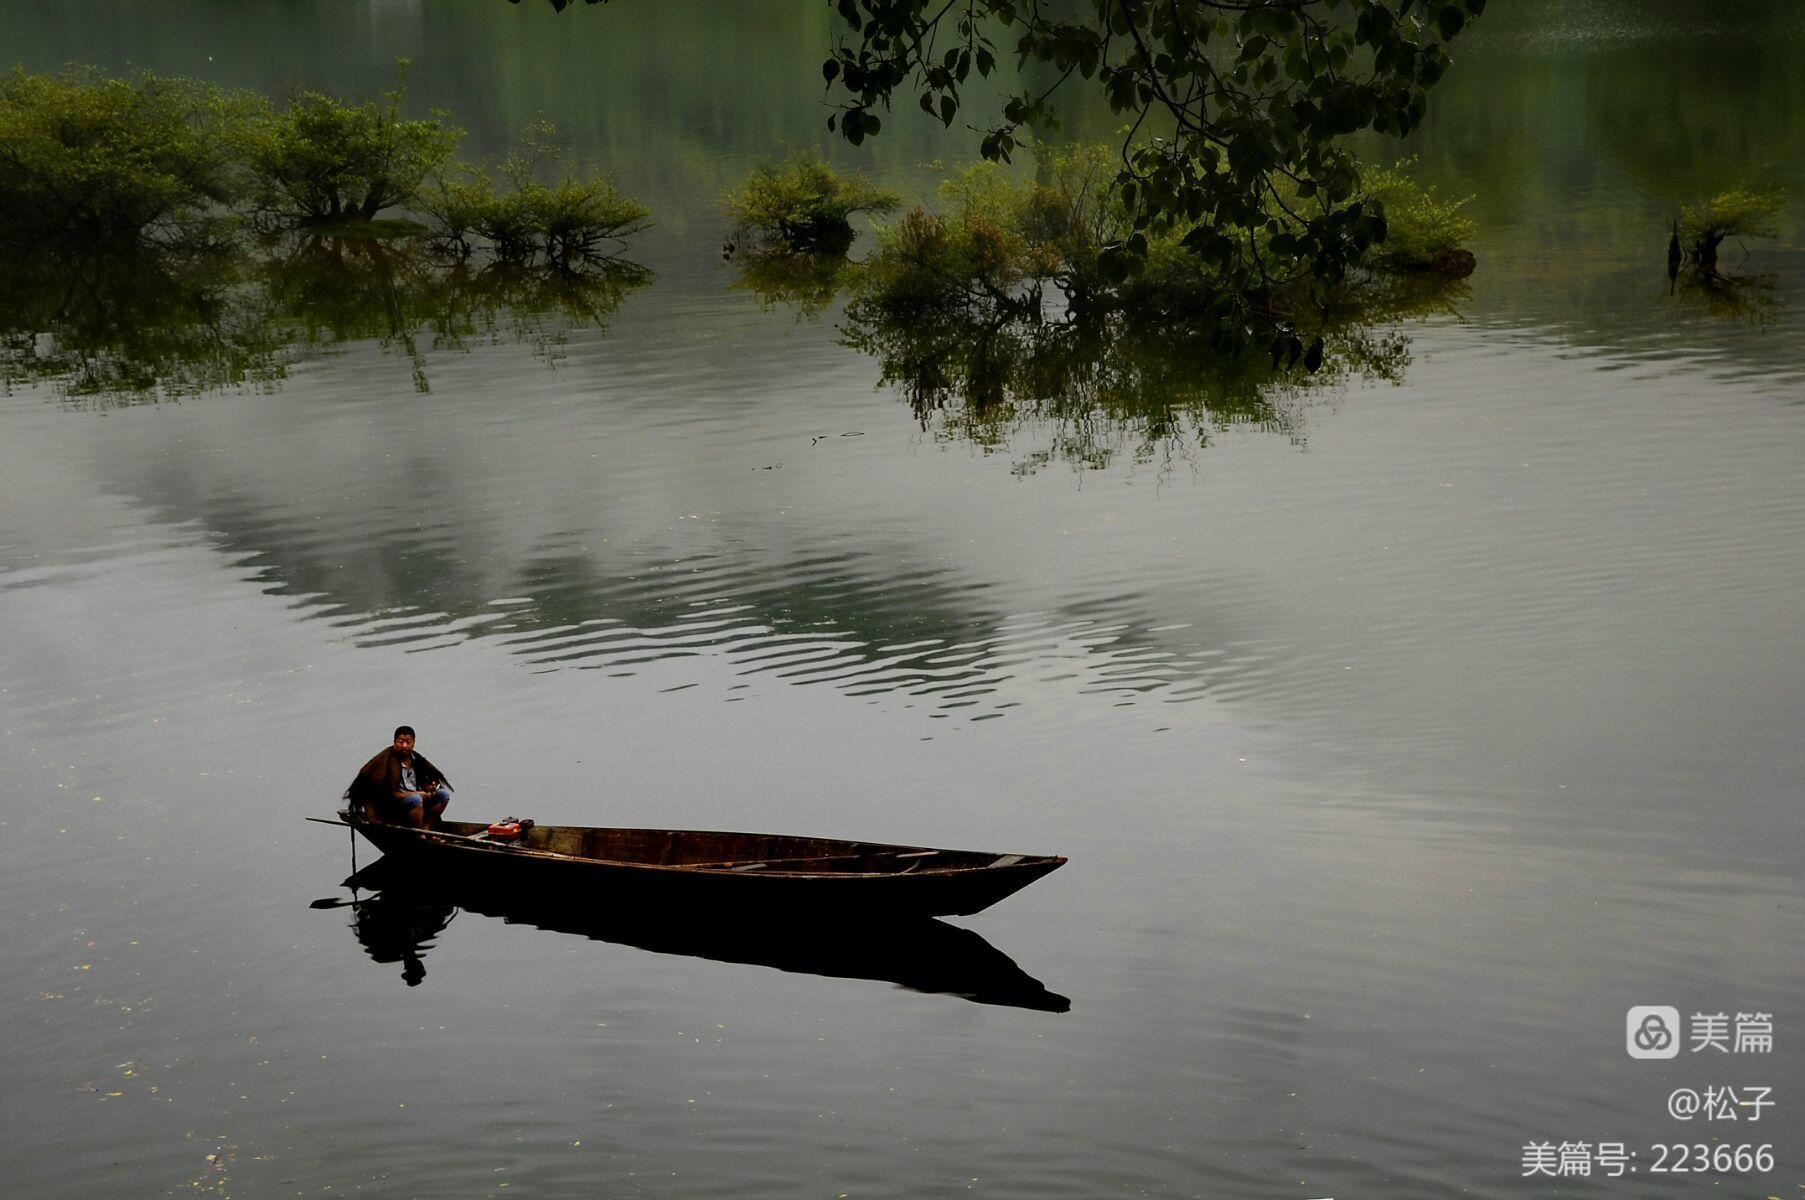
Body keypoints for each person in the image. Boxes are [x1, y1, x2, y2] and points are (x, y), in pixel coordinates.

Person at [346, 725, 453, 829]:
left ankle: (426, 826)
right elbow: (390, 794)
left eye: (408, 742)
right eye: (401, 742)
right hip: (395, 804)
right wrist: (416, 794)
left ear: (414, 743)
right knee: (416, 799)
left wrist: (430, 788)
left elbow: (421, 782)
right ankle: (419, 832)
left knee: (443, 795)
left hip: (416, 800)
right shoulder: (385, 761)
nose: (404, 745)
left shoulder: (416, 760)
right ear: (394, 742)